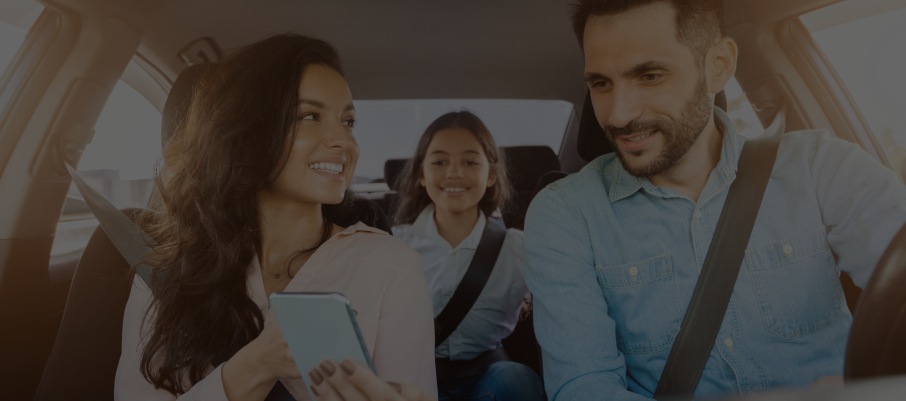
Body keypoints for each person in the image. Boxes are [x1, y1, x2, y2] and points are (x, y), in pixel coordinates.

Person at [523, 0, 906, 400]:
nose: (618, 115)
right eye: (601, 84)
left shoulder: (823, 168)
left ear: (718, 66)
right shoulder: (566, 214)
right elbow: (585, 388)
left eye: (650, 76)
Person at [114, 33, 437, 401]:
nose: (344, 142)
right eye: (310, 116)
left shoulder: (391, 268)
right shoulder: (167, 269)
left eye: (348, 122)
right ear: (248, 132)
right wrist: (254, 366)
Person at [391, 111, 545, 401]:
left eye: (470, 161)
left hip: (490, 379)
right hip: (417, 380)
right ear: (422, 175)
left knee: (517, 379)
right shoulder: (394, 244)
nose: (454, 172)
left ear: (490, 176)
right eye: (439, 161)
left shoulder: (518, 250)